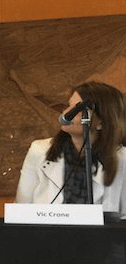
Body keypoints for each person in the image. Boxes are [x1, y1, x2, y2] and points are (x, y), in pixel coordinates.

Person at [16, 81, 126, 215]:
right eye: (69, 106)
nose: (67, 113)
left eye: (78, 109)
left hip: (100, 236)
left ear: (101, 122)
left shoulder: (123, 160)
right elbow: (21, 211)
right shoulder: (39, 150)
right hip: (45, 234)